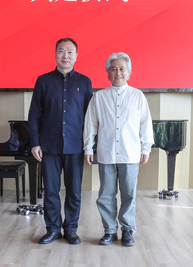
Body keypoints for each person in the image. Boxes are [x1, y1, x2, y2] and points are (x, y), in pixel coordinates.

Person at [83, 52, 154, 247]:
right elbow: (90, 125)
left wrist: (146, 148)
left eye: (122, 69)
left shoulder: (138, 96)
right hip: (106, 153)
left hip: (130, 154)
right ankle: (110, 231)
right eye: (113, 69)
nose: (118, 73)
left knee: (129, 194)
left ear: (129, 72)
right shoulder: (99, 97)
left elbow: (145, 124)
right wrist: (88, 148)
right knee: (106, 195)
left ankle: (128, 230)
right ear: (108, 73)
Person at [28, 38, 93, 245]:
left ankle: (71, 229)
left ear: (76, 56)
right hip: (49, 146)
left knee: (74, 191)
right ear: (55, 54)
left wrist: (89, 146)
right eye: (61, 51)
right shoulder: (43, 81)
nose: (66, 56)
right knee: (51, 191)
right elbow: (34, 114)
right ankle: (53, 229)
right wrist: (35, 143)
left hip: (75, 146)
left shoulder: (84, 82)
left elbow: (90, 118)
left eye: (70, 52)